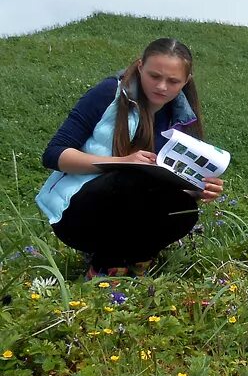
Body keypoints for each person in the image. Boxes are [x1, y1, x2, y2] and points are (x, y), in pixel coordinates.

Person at [36, 38, 224, 279]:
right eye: (154, 76)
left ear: (186, 81)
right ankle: (106, 269)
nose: (162, 87)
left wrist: (200, 189)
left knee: (184, 208)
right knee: (130, 180)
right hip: (75, 212)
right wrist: (123, 162)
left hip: (127, 210)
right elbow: (54, 154)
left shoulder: (183, 117)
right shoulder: (108, 93)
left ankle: (135, 263)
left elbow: (169, 184)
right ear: (140, 66)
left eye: (173, 81)